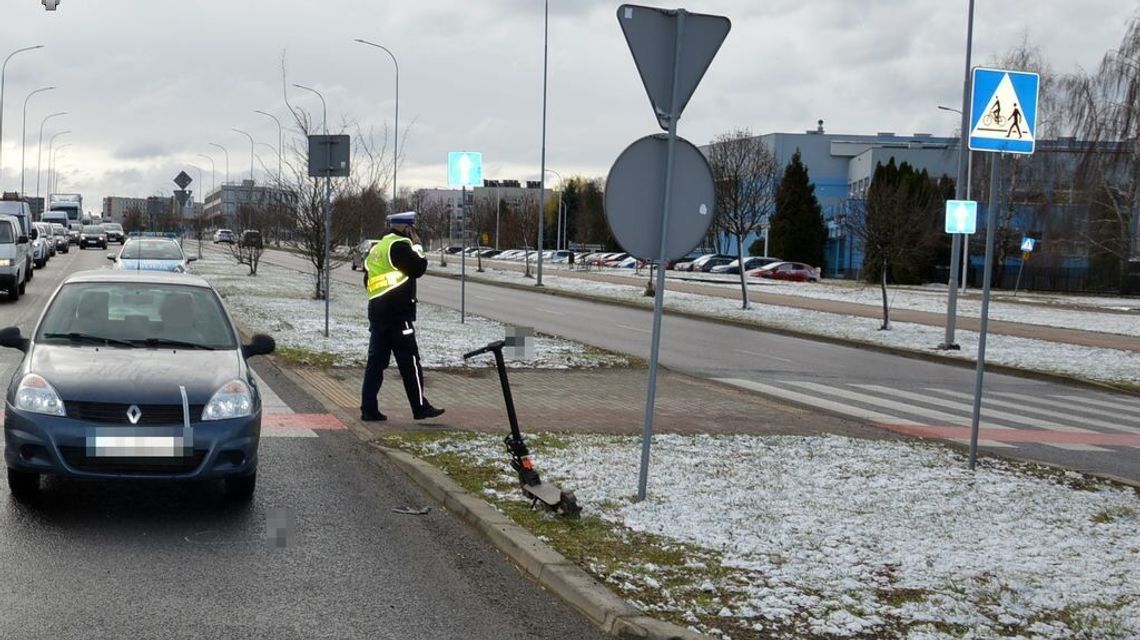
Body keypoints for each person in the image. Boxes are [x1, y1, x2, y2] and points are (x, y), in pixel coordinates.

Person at [359, 211, 445, 421]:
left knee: (376, 363)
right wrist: (418, 246)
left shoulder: (378, 247)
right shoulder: (400, 246)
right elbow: (418, 268)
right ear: (407, 228)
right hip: (398, 315)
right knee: (410, 362)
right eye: (412, 228)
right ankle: (420, 407)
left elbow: (367, 278)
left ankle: (368, 409)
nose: (414, 232)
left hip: (377, 313)